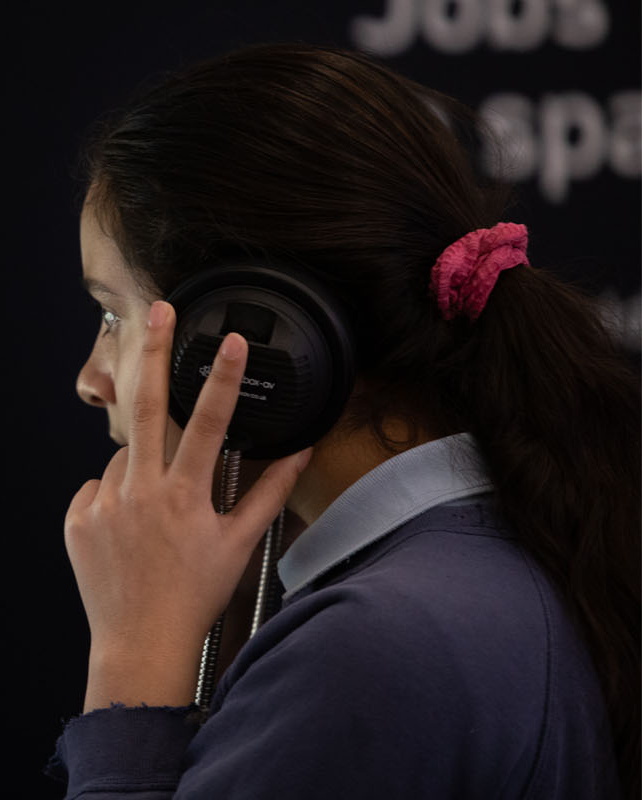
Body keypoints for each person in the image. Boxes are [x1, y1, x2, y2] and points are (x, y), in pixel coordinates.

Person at [50, 44, 637, 798]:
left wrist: (130, 665)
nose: (90, 380)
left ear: (258, 332)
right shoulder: (480, 564)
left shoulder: (378, 647)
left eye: (111, 314)